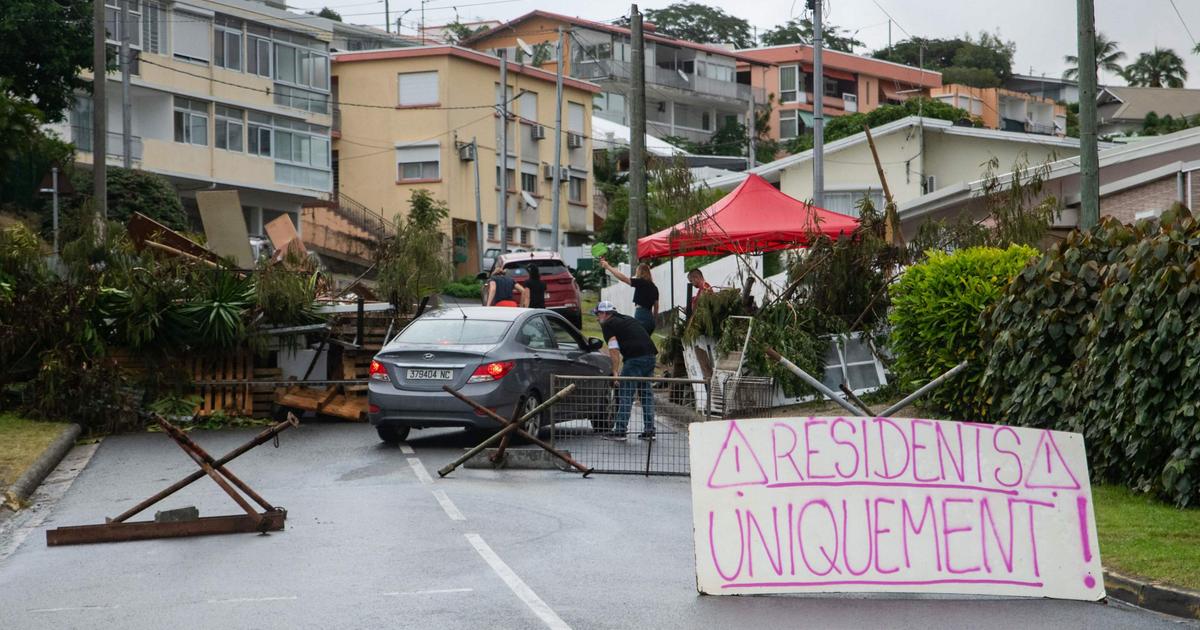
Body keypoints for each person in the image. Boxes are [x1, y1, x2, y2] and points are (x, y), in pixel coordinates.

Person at [593, 301, 657, 441]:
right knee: (646, 394)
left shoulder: (608, 324)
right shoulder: (627, 318)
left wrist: (615, 372)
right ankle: (650, 430)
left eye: (598, 314)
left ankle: (620, 431)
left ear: (604, 313)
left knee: (626, 394)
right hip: (650, 356)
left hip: (634, 359)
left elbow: (614, 349)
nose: (597, 318)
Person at [600, 258, 658, 333]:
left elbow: (623, 278)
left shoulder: (641, 282)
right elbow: (656, 307)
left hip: (641, 315)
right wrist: (654, 321)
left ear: (640, 272)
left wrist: (608, 267)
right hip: (650, 319)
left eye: (637, 271)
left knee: (637, 340)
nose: (636, 274)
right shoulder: (654, 287)